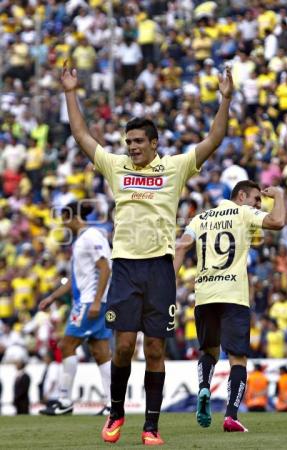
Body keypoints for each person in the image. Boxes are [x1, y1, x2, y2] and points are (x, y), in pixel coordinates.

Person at [61, 60, 233, 445]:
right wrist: (71, 92)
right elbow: (81, 134)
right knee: (123, 345)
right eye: (129, 142)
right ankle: (117, 413)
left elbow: (214, 140)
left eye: (139, 141)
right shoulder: (116, 166)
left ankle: (151, 427)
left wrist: (225, 100)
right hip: (124, 268)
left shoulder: (174, 168)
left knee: (155, 348)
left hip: (159, 269)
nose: (133, 147)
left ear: (154, 144)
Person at [174, 181, 285, 432]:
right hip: (233, 295)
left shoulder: (200, 218)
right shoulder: (243, 212)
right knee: (237, 358)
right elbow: (278, 222)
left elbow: (181, 246)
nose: (258, 205)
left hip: (204, 294)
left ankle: (204, 387)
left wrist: (169, 287)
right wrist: (278, 195)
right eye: (256, 199)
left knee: (209, 351)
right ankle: (231, 416)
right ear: (241, 196)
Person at [39, 201, 112, 416]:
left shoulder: (91, 237)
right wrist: (52, 297)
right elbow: (76, 278)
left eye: (64, 217)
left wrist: (97, 301)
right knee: (100, 351)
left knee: (66, 345)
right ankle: (112, 404)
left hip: (90, 301)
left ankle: (64, 400)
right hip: (92, 299)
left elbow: (105, 267)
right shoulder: (83, 239)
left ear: (72, 217)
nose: (63, 223)